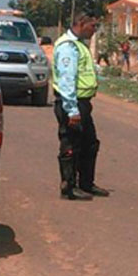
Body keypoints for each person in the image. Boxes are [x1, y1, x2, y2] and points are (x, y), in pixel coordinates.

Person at [52, 10, 109, 200]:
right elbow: (67, 80)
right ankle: (69, 186)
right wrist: (72, 110)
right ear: (81, 23)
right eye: (92, 26)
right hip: (72, 104)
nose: (94, 30)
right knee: (71, 144)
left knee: (89, 144)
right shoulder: (68, 47)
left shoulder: (79, 45)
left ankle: (86, 183)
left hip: (83, 103)